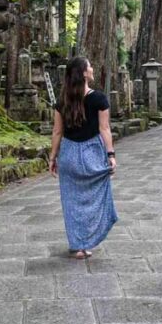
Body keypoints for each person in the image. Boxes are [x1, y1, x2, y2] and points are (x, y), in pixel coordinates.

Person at [49, 56, 118, 259]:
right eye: (90, 66)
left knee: (71, 201)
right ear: (84, 73)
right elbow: (104, 128)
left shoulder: (62, 101)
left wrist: (53, 157)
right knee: (94, 196)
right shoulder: (99, 99)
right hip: (92, 154)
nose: (93, 68)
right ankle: (87, 242)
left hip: (68, 154)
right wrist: (111, 154)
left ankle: (77, 244)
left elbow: (57, 132)